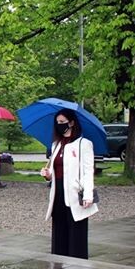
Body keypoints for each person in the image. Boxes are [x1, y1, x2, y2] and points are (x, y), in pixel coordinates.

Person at [40, 109, 98, 259]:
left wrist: (88, 195)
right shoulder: (56, 145)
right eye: (57, 123)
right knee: (59, 231)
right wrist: (48, 175)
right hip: (58, 193)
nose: (59, 125)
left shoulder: (83, 144)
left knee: (76, 232)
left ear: (71, 123)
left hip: (74, 193)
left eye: (62, 122)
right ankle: (59, 263)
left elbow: (88, 171)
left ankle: (77, 266)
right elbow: (55, 171)